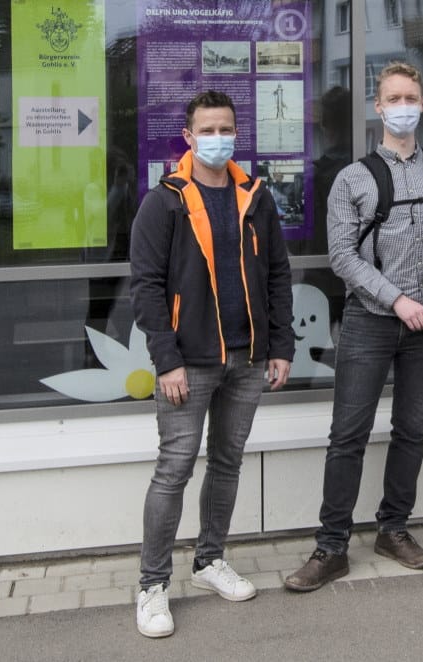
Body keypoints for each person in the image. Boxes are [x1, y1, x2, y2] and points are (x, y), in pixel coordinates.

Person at [284, 61, 423, 592]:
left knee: (412, 429)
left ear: (422, 103)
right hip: (369, 321)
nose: (403, 105)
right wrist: (397, 299)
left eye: (412, 96)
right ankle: (331, 546)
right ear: (378, 107)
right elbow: (341, 256)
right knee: (348, 435)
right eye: (393, 98)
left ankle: (394, 529)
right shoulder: (352, 178)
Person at [129, 89, 295, 637]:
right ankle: (153, 585)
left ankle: (208, 561)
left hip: (247, 358)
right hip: (189, 363)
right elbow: (148, 289)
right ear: (189, 136)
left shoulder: (256, 196)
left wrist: (280, 345)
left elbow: (277, 275)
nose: (219, 138)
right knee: (174, 468)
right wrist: (167, 360)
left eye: (227, 129)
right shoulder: (166, 201)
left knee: (228, 462)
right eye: (209, 129)